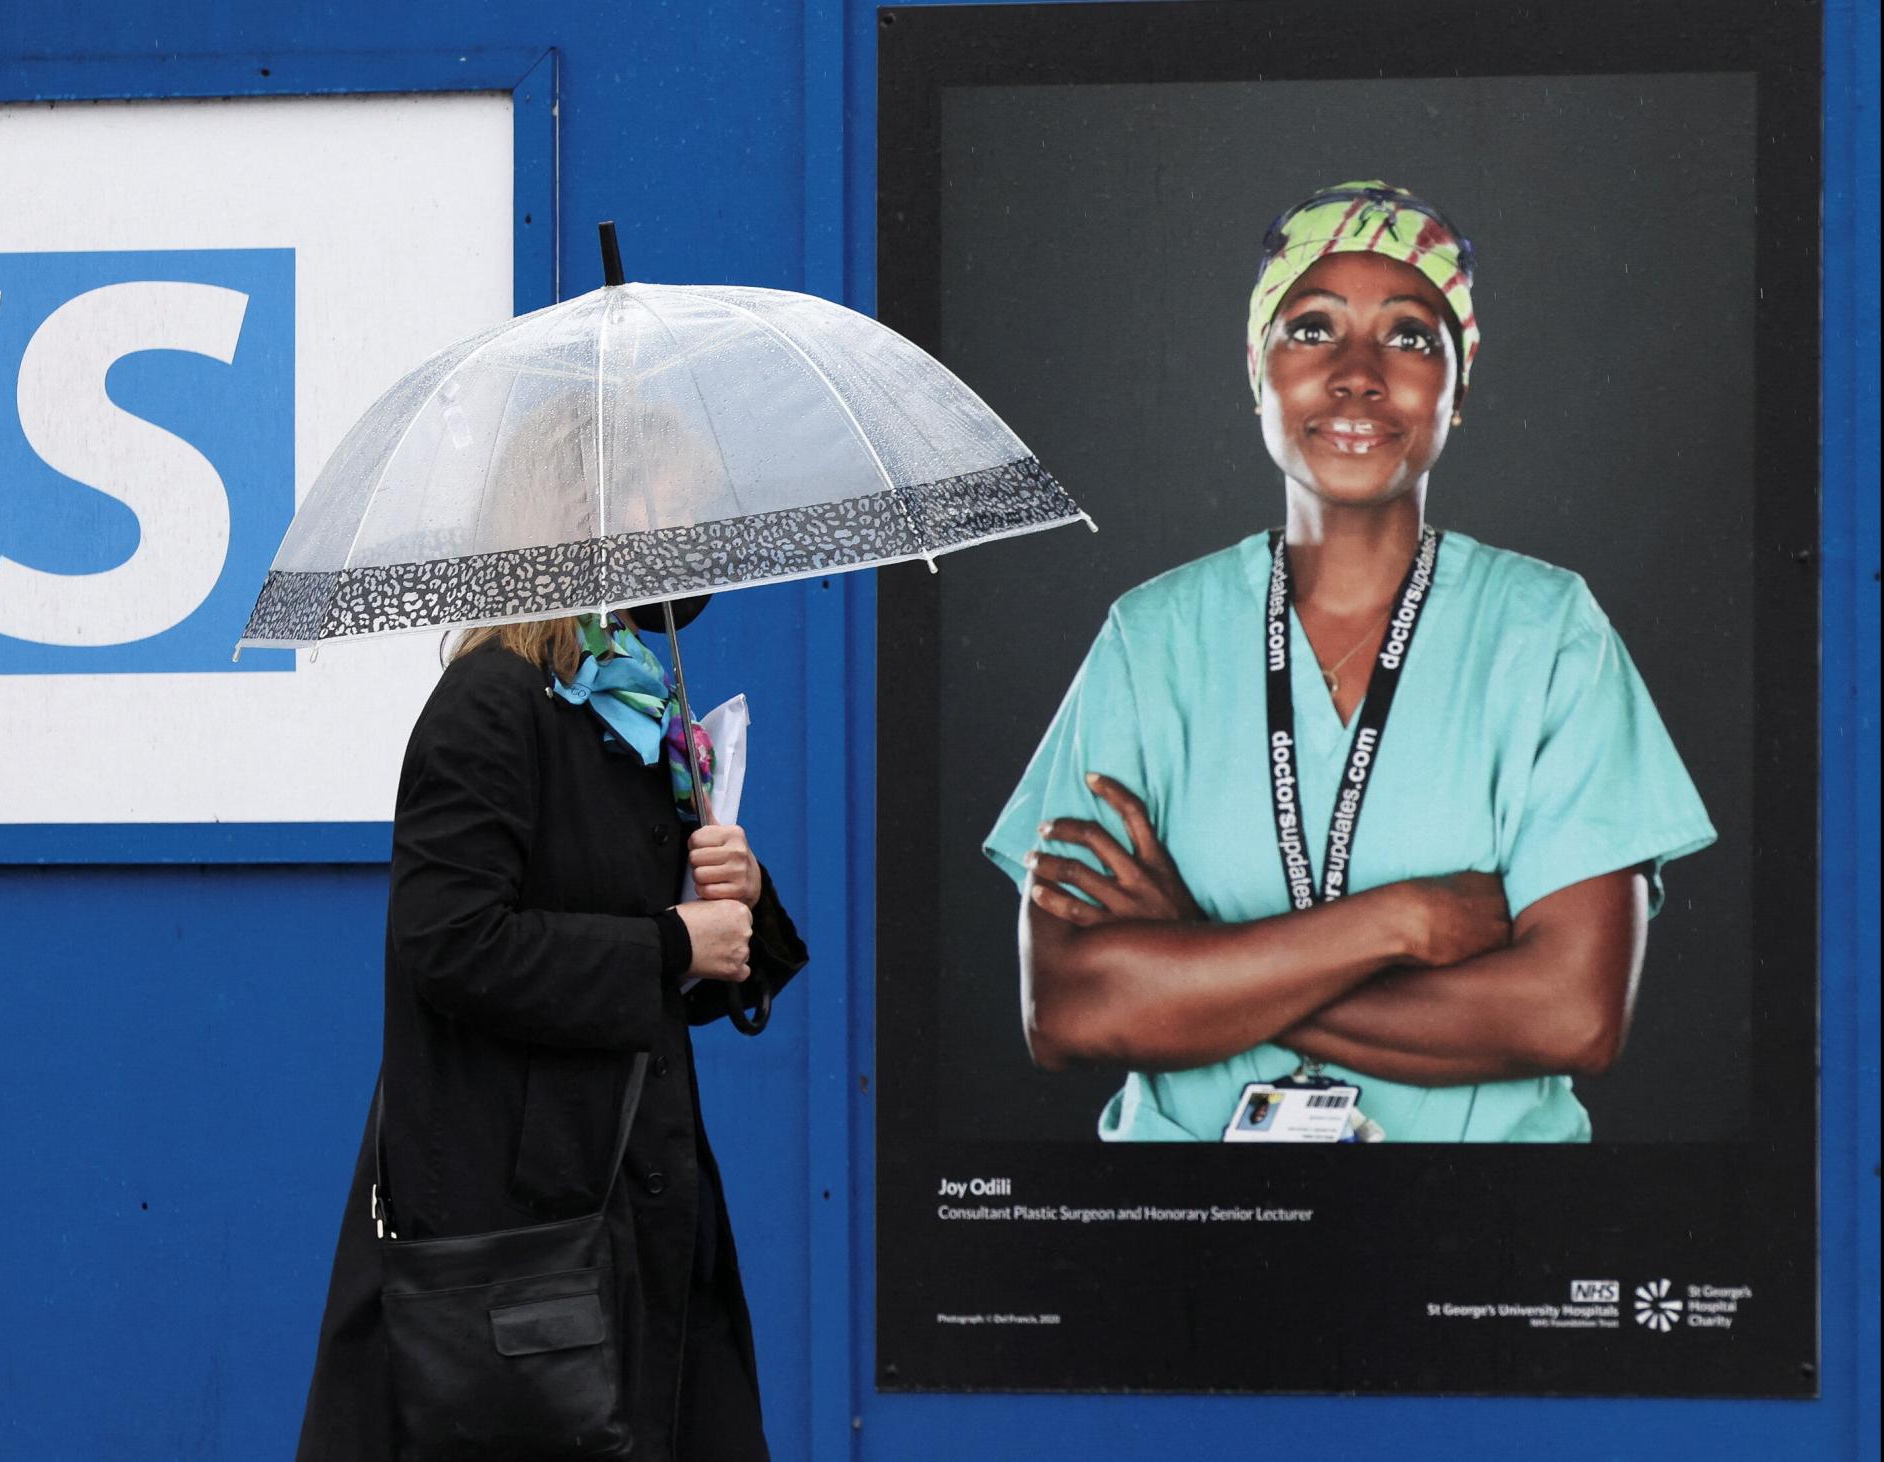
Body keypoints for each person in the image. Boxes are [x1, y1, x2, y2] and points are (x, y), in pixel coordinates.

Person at [984, 180, 1714, 1142]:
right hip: (1188, 1236)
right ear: (1258, 367)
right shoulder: (1150, 639)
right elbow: (1070, 1014)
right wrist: (1399, 922)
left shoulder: (1547, 636)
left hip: (1478, 1233)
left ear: (1462, 376)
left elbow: (1571, 1015)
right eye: (1312, 329)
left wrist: (1200, 960)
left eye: (1411, 336)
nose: (1359, 373)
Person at [296, 598, 808, 1459]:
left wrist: (742, 890)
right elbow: (449, 942)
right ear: (580, 515)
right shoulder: (491, 700)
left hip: (647, 1217)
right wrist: (667, 943)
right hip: (525, 1242)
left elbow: (686, 958)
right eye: (658, 496)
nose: (677, 526)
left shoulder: (639, 713)